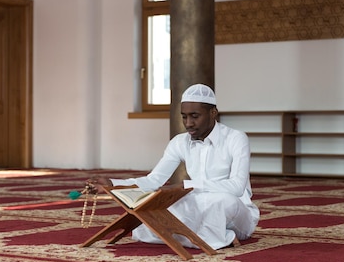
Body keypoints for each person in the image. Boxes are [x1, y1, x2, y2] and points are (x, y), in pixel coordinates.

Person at [93, 83, 259, 250]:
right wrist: (112, 183)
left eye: (195, 116)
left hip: (237, 212)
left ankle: (214, 235)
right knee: (148, 220)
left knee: (221, 200)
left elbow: (237, 187)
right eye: (184, 116)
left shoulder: (236, 138)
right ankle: (208, 238)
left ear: (213, 113)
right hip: (199, 205)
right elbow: (154, 180)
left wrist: (188, 185)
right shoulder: (179, 142)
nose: (189, 123)